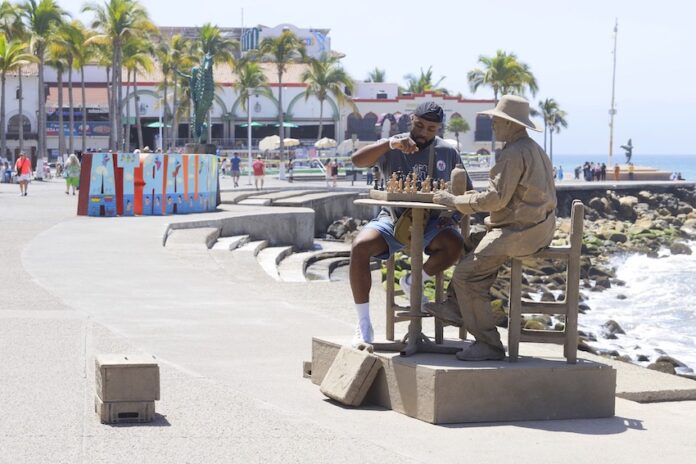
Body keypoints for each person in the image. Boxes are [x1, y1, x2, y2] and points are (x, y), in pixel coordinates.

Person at [426, 95, 556, 361]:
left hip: (521, 233)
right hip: (536, 227)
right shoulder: (532, 148)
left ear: (511, 124)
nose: (494, 125)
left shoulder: (513, 153)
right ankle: (455, 306)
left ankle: (488, 344)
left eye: (497, 120)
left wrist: (454, 201)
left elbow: (495, 199)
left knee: (465, 276)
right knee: (471, 239)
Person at [348, 101, 467, 345]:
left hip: (433, 224)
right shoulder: (393, 146)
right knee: (360, 247)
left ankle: (414, 281)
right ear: (411, 119)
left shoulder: (447, 151)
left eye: (431, 129)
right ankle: (363, 324)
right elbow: (357, 160)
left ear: (439, 129)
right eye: (420, 125)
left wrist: (452, 217)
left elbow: (465, 193)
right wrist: (389, 143)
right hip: (392, 220)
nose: (423, 133)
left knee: (455, 244)